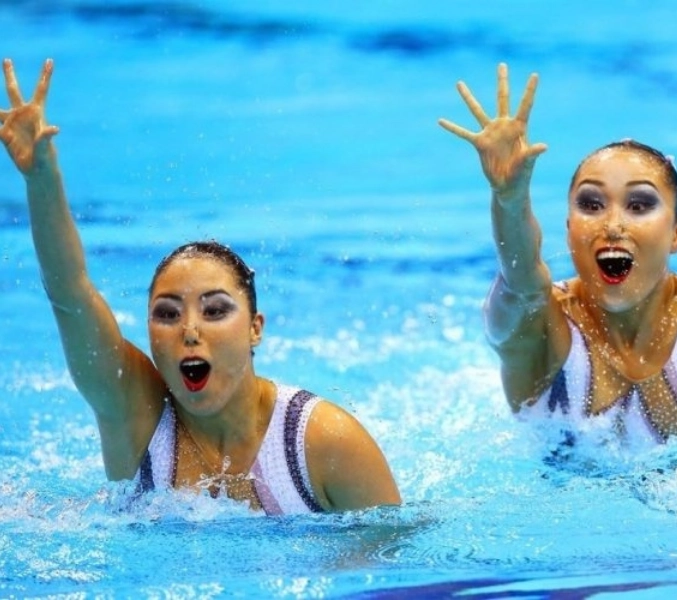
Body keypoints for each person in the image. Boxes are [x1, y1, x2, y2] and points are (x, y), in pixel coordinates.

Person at [0, 58, 401, 513]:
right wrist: (42, 178)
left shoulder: (325, 445)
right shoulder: (135, 418)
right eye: (167, 313)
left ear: (255, 328)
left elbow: (396, 554)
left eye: (214, 310)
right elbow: (70, 295)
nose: (189, 329)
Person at [439, 63, 677, 465]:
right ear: (569, 230)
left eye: (639, 205)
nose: (612, 225)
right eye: (591, 204)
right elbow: (519, 281)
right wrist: (510, 197)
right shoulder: (540, 330)